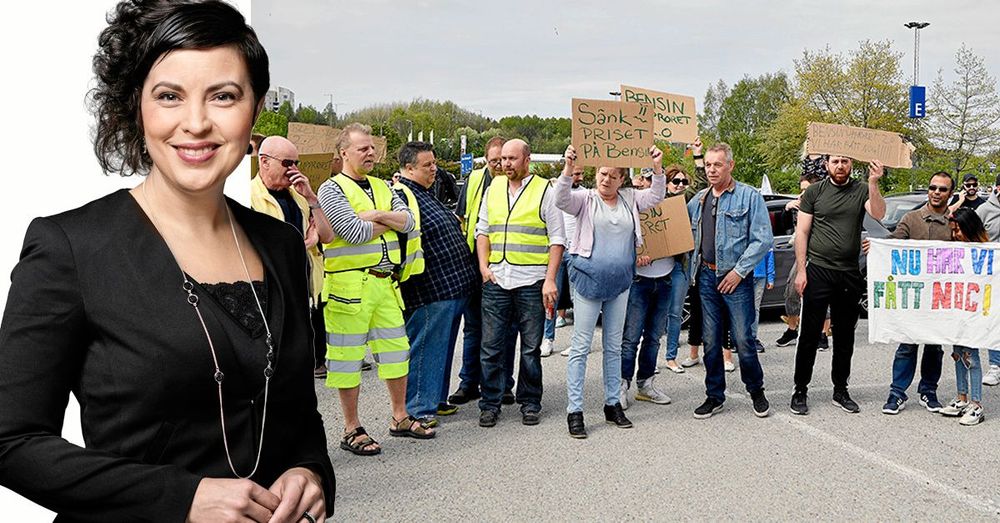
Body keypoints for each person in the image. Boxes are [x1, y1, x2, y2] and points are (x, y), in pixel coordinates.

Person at [0, 2, 335, 520]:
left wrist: (309, 472)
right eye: (169, 96)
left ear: (256, 108)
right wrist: (183, 499)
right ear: (138, 106)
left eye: (223, 96)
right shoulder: (70, 247)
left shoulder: (282, 245)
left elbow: (298, 416)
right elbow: (12, 441)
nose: (196, 123)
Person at [318, 123, 435, 455]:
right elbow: (351, 231)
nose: (371, 153)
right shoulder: (331, 189)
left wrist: (376, 215)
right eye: (362, 149)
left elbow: (409, 221)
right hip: (349, 286)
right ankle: (351, 427)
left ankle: (400, 417)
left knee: (397, 353)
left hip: (385, 284)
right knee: (346, 358)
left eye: (372, 148)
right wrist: (389, 221)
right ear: (344, 153)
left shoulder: (384, 186)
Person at [558, 145, 666, 438]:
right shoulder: (585, 199)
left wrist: (657, 167)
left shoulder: (630, 199)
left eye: (612, 175)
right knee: (580, 347)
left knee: (614, 346)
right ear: (596, 175)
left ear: (622, 179)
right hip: (588, 281)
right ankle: (575, 410)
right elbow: (561, 198)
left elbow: (657, 195)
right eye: (602, 174)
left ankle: (611, 404)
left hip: (620, 282)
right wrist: (568, 167)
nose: (606, 179)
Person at [475, 139, 565, 428]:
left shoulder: (544, 191)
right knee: (490, 347)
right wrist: (483, 267)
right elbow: (482, 231)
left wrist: (550, 279)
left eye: (512, 158)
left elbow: (557, 239)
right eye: (502, 159)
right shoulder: (494, 188)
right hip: (497, 279)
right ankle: (490, 402)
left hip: (531, 281)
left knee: (530, 348)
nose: (506, 164)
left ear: (527, 160)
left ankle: (530, 401)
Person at [791, 155, 886, 415]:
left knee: (845, 336)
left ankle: (840, 389)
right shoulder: (814, 192)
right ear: (826, 165)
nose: (840, 165)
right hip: (819, 270)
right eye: (835, 161)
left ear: (851, 164)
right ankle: (800, 389)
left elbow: (878, 213)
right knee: (809, 334)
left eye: (845, 161)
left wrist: (874, 182)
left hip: (849, 274)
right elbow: (802, 232)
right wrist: (801, 270)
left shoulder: (861, 189)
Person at [688, 142, 774, 419]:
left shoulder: (749, 197)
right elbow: (677, 227)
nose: (712, 170)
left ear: (730, 166)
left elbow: (762, 239)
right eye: (709, 165)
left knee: (743, 339)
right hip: (705, 278)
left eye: (718, 165)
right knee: (711, 341)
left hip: (736, 279)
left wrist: (738, 272)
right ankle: (714, 396)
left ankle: (756, 390)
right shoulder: (699, 200)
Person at [394, 142, 477, 428]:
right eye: (427, 165)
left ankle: (436, 400)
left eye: (434, 163)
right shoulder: (402, 195)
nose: (434, 169)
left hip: (449, 289)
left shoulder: (425, 193)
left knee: (440, 349)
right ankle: (418, 408)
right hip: (429, 289)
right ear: (408, 168)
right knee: (426, 349)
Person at [250, 136, 335, 380]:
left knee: (297, 363)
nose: (294, 170)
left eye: (296, 163)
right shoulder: (247, 196)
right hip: (269, 292)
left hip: (304, 289)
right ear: (264, 162)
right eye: (287, 163)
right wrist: (303, 242)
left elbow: (327, 236)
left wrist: (312, 198)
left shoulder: (298, 196)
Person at [873, 172, 954, 415]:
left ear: (950, 193)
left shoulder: (955, 221)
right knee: (906, 345)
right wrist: (877, 246)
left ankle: (928, 391)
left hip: (940, 297)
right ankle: (897, 393)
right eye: (932, 187)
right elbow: (894, 244)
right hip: (914, 297)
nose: (936, 192)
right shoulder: (911, 218)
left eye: (942, 189)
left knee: (934, 347)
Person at [448, 136, 518, 405]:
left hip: (506, 266)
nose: (499, 165)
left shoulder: (519, 184)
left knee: (507, 329)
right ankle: (469, 382)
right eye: (493, 161)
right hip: (475, 266)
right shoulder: (475, 180)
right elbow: (463, 219)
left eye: (503, 160)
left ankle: (504, 383)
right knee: (474, 328)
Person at [938, 208, 989, 425]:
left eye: (959, 229)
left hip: (975, 313)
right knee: (958, 354)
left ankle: (977, 404)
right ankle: (962, 398)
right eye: (953, 230)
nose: (955, 234)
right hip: (957, 311)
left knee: (972, 357)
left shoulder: (987, 253)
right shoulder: (954, 251)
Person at [775, 173, 826, 348]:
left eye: (807, 189)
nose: (803, 193)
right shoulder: (799, 205)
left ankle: (823, 334)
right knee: (791, 290)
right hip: (802, 255)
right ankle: (792, 329)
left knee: (822, 294)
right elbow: (785, 226)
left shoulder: (823, 205)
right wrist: (787, 209)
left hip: (822, 255)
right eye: (801, 189)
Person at [544, 164, 584, 357]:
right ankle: (548, 339)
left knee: (578, 299)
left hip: (577, 253)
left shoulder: (585, 195)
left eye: (581, 174)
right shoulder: (553, 194)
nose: (579, 178)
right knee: (551, 298)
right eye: (576, 174)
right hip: (557, 251)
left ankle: (576, 342)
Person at [661, 165, 693, 373]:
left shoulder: (688, 204)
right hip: (657, 266)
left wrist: (698, 155)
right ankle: (646, 362)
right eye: (676, 181)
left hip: (680, 265)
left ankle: (671, 357)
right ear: (666, 183)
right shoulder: (655, 201)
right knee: (653, 315)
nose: (680, 185)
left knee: (675, 313)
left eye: (684, 182)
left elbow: (701, 185)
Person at [975, 178, 1000, 386]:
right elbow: (970, 237)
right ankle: (995, 365)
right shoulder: (984, 210)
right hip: (991, 275)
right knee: (995, 320)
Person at [751, 247, 775, 353]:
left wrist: (770, 277)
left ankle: (752, 337)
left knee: (755, 308)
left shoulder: (764, 231)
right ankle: (738, 338)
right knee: (740, 308)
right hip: (742, 274)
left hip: (760, 275)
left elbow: (770, 255)